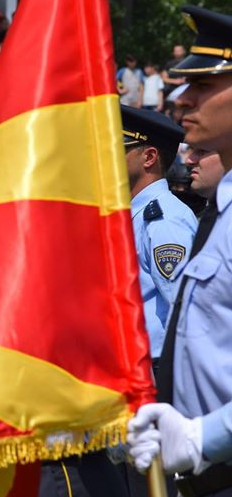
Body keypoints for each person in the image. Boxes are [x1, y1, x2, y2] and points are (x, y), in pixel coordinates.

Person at [128, 7, 232, 495]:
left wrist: (203, 437)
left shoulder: (170, 216)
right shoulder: (220, 210)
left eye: (203, 85)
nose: (182, 97)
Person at [121, 106, 197, 370]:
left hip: (154, 367)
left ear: (149, 157)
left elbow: (183, 306)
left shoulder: (164, 219)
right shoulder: (137, 212)